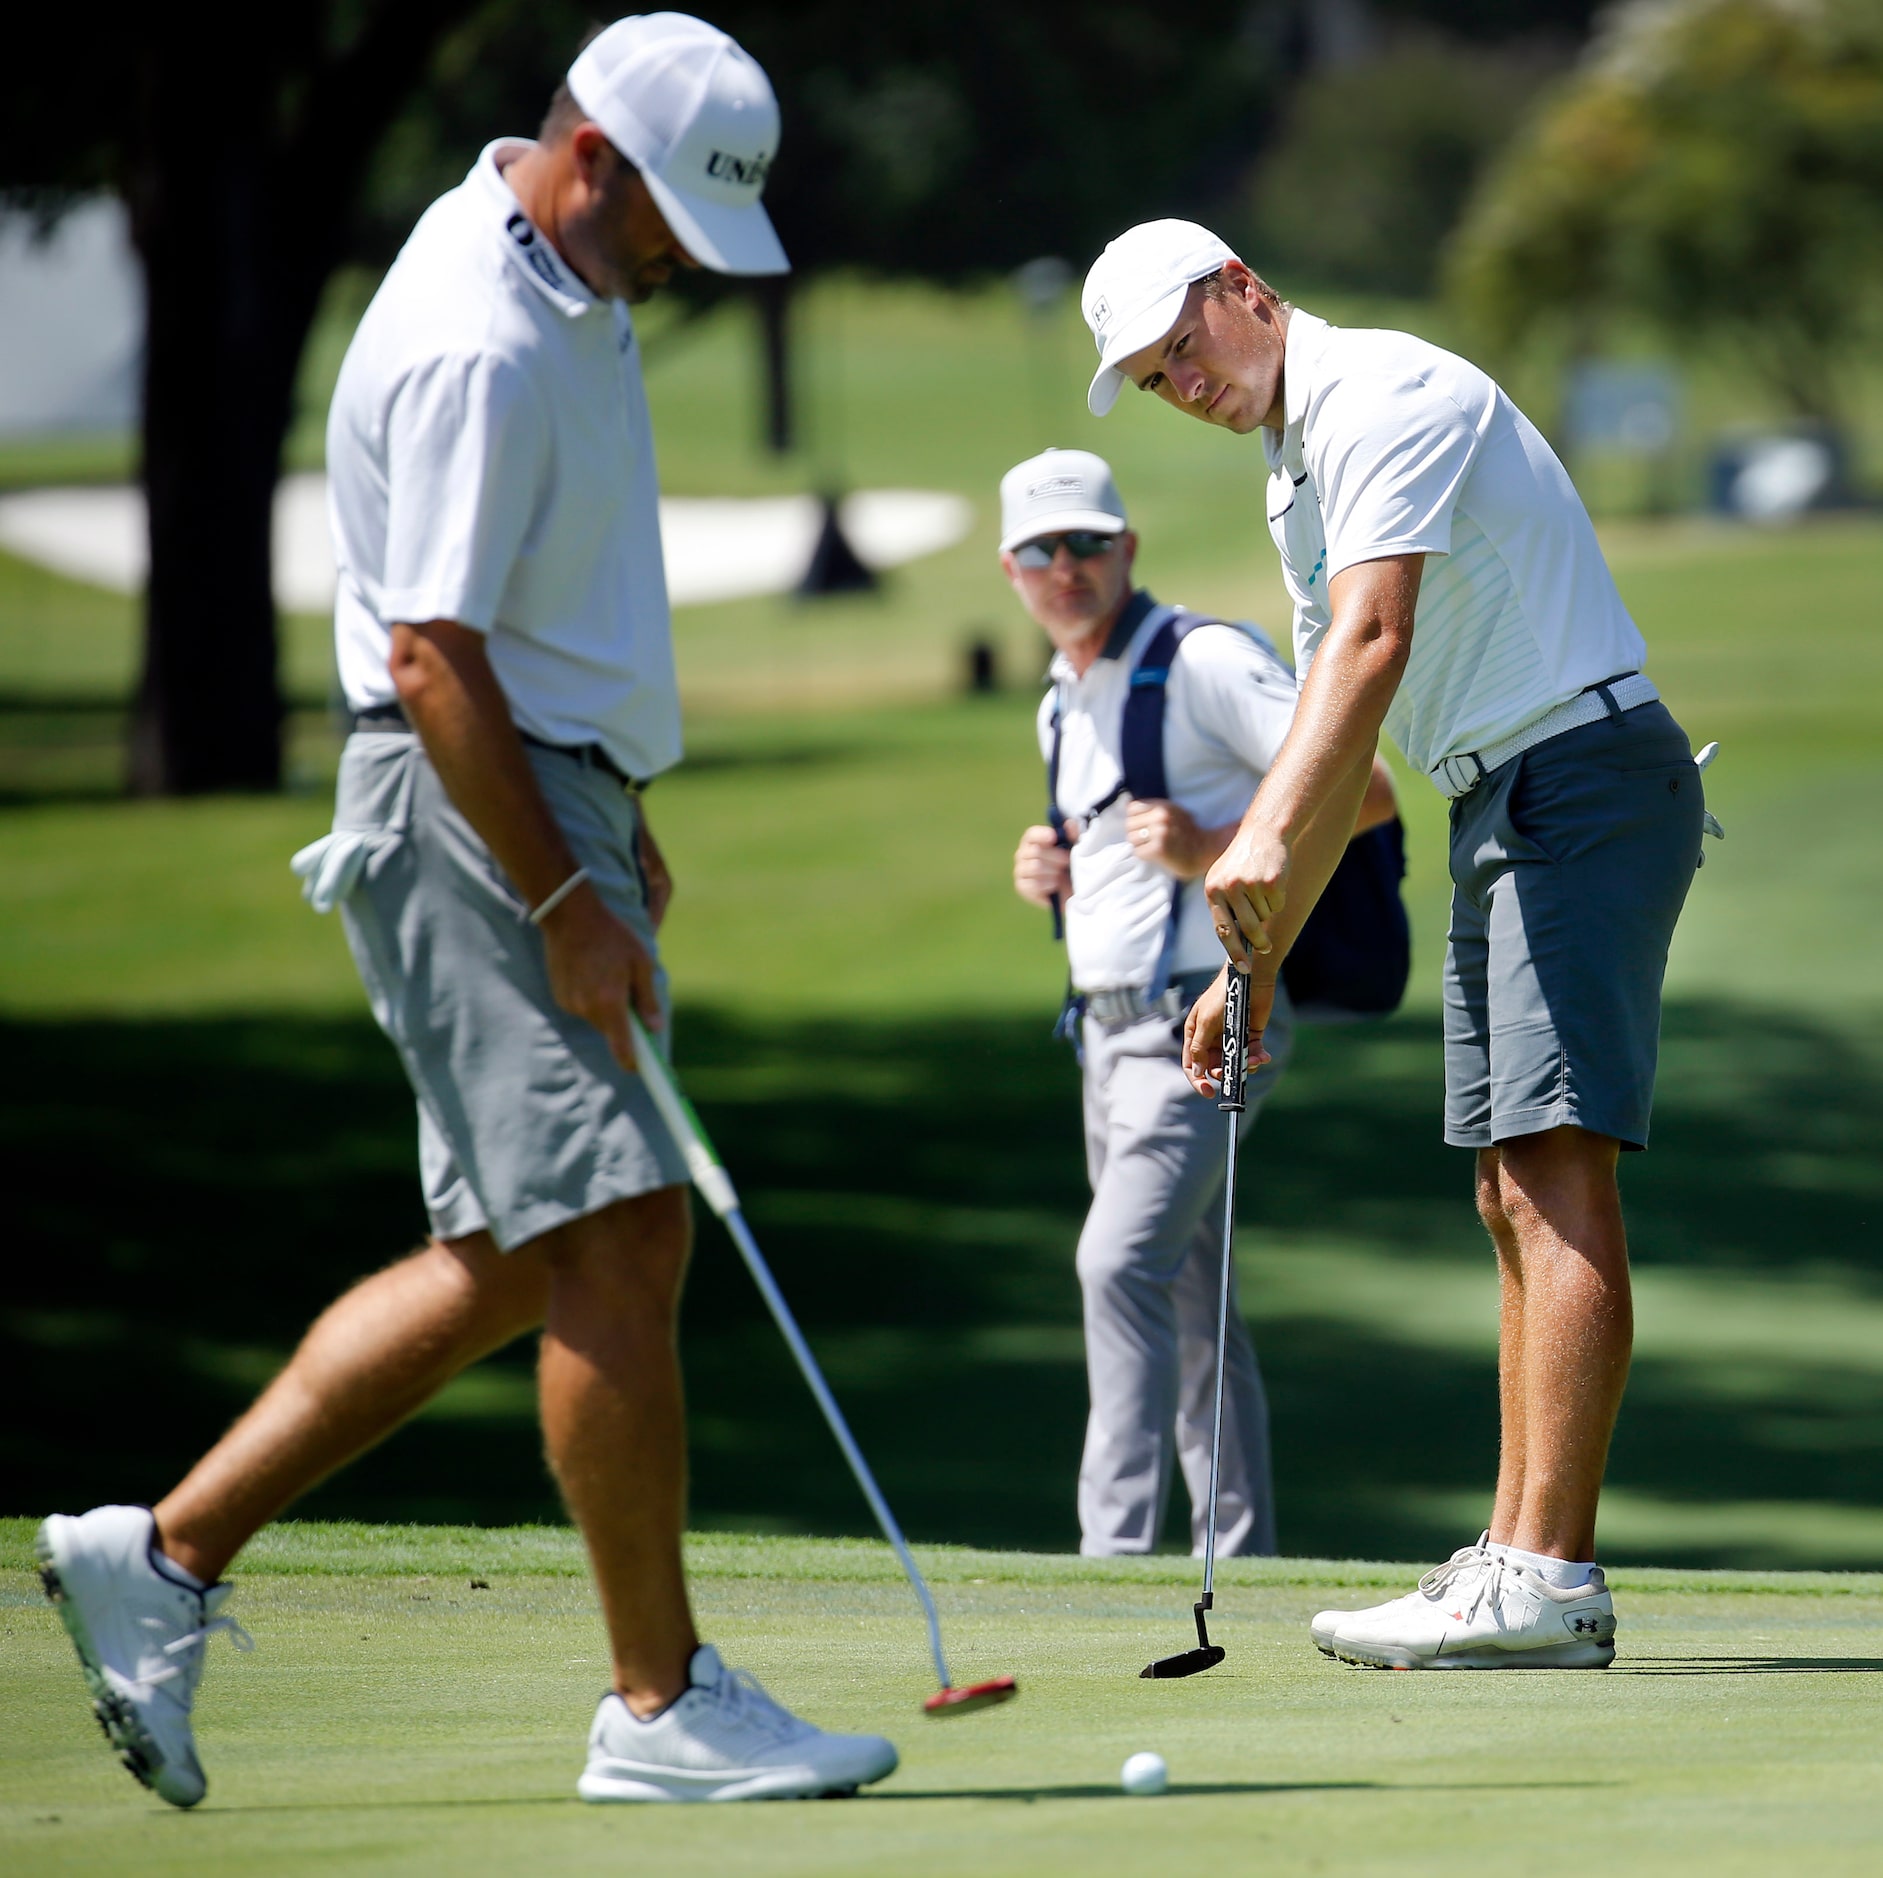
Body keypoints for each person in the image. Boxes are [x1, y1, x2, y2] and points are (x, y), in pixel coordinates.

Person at [36, 15, 897, 1806]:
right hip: (469, 798)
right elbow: (430, 654)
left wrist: (617, 807)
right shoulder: (479, 342)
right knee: (621, 1225)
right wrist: (566, 882)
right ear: (586, 157)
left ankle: (164, 1553)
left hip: (540, 780)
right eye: (664, 218)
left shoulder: (546, 270)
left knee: (527, 1248)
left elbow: (529, 599)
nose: (675, 260)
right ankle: (656, 1708)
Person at [1080, 219, 1711, 1668]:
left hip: (1580, 779)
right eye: (1155, 378)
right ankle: (1508, 1552)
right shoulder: (1296, 467)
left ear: (1243, 287)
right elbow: (1337, 750)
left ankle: (1549, 1572)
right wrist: (1242, 972)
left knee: (1553, 1173)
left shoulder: (1382, 397)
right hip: (1503, 794)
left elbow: (1370, 645)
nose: (1185, 381)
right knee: (1504, 1186)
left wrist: (1245, 848)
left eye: (1187, 344)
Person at [1003, 446, 1398, 1560]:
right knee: (1184, 1298)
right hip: (1101, 1036)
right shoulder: (1060, 696)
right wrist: (1052, 869)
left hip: (1205, 1019)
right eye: (1041, 549)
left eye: (1088, 542)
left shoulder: (1200, 659)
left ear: (1127, 547)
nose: (1066, 566)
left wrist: (1210, 848)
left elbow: (1361, 791)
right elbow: (1123, 853)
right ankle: (1243, 1555)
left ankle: (1111, 1559)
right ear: (1010, 569)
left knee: (1115, 1264)